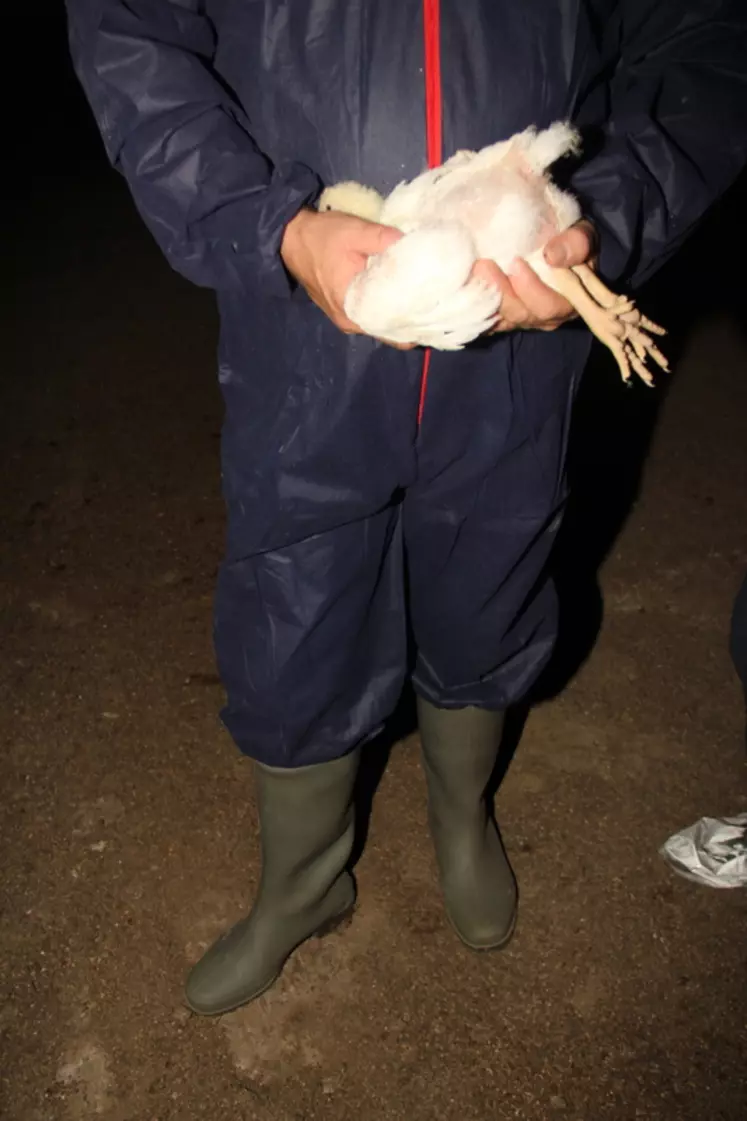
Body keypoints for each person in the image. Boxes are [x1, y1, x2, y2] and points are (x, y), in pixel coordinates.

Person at [65, 0, 747, 1016]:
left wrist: (605, 215)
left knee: (494, 581)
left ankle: (461, 813)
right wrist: (273, 225)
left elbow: (707, 40)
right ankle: (304, 880)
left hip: (521, 333)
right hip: (306, 333)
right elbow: (127, 29)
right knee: (295, 601)